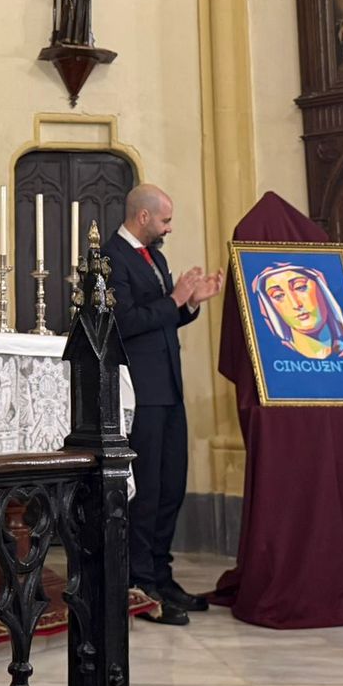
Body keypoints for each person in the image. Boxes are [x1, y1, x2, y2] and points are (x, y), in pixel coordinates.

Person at [103, 183, 222, 625]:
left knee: (171, 485)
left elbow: (164, 317)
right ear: (144, 217)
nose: (170, 227)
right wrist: (174, 299)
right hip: (140, 389)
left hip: (168, 386)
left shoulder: (157, 256)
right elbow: (125, 322)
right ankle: (139, 583)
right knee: (146, 491)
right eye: (166, 220)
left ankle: (162, 575)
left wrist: (190, 304)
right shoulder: (110, 258)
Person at [249, 261, 343, 358]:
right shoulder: (273, 358)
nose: (296, 304)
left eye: (300, 287)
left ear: (323, 290)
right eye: (278, 295)